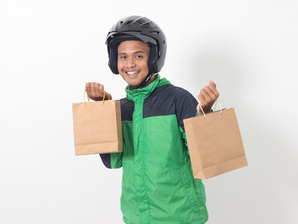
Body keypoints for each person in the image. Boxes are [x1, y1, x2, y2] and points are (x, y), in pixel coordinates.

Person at [85, 16, 219, 224]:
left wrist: (206, 114)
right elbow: (113, 160)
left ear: (154, 58)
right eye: (123, 57)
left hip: (180, 216)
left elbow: (206, 157)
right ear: (114, 61)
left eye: (138, 56)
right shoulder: (122, 108)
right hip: (136, 217)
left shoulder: (178, 99)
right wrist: (102, 110)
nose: (130, 64)